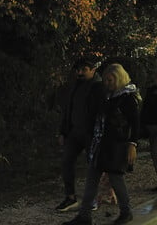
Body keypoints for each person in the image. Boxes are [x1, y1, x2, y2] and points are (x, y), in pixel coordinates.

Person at [63, 63, 140, 225]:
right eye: (105, 80)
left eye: (110, 80)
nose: (107, 83)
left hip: (115, 145)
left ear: (118, 79)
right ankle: (84, 216)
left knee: (116, 180)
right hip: (101, 143)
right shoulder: (107, 96)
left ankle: (126, 212)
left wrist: (132, 144)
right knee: (91, 179)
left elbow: (135, 123)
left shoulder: (127, 98)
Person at [56, 57, 103, 212]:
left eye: (84, 69)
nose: (80, 72)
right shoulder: (75, 86)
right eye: (78, 70)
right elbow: (68, 110)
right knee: (67, 161)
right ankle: (70, 197)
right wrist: (63, 131)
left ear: (93, 70)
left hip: (91, 133)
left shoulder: (98, 87)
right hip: (74, 131)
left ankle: (92, 198)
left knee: (93, 166)